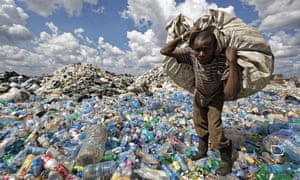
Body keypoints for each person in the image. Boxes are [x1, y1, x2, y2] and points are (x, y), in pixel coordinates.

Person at [160, 27, 241, 176]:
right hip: (199, 95)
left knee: (215, 129)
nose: (201, 54)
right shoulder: (192, 55)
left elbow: (229, 93)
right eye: (198, 49)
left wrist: (232, 61)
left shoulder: (222, 62)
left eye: (206, 49)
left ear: (214, 48)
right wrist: (184, 35)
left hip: (215, 97)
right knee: (199, 124)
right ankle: (202, 151)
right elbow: (165, 51)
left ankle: (226, 160)